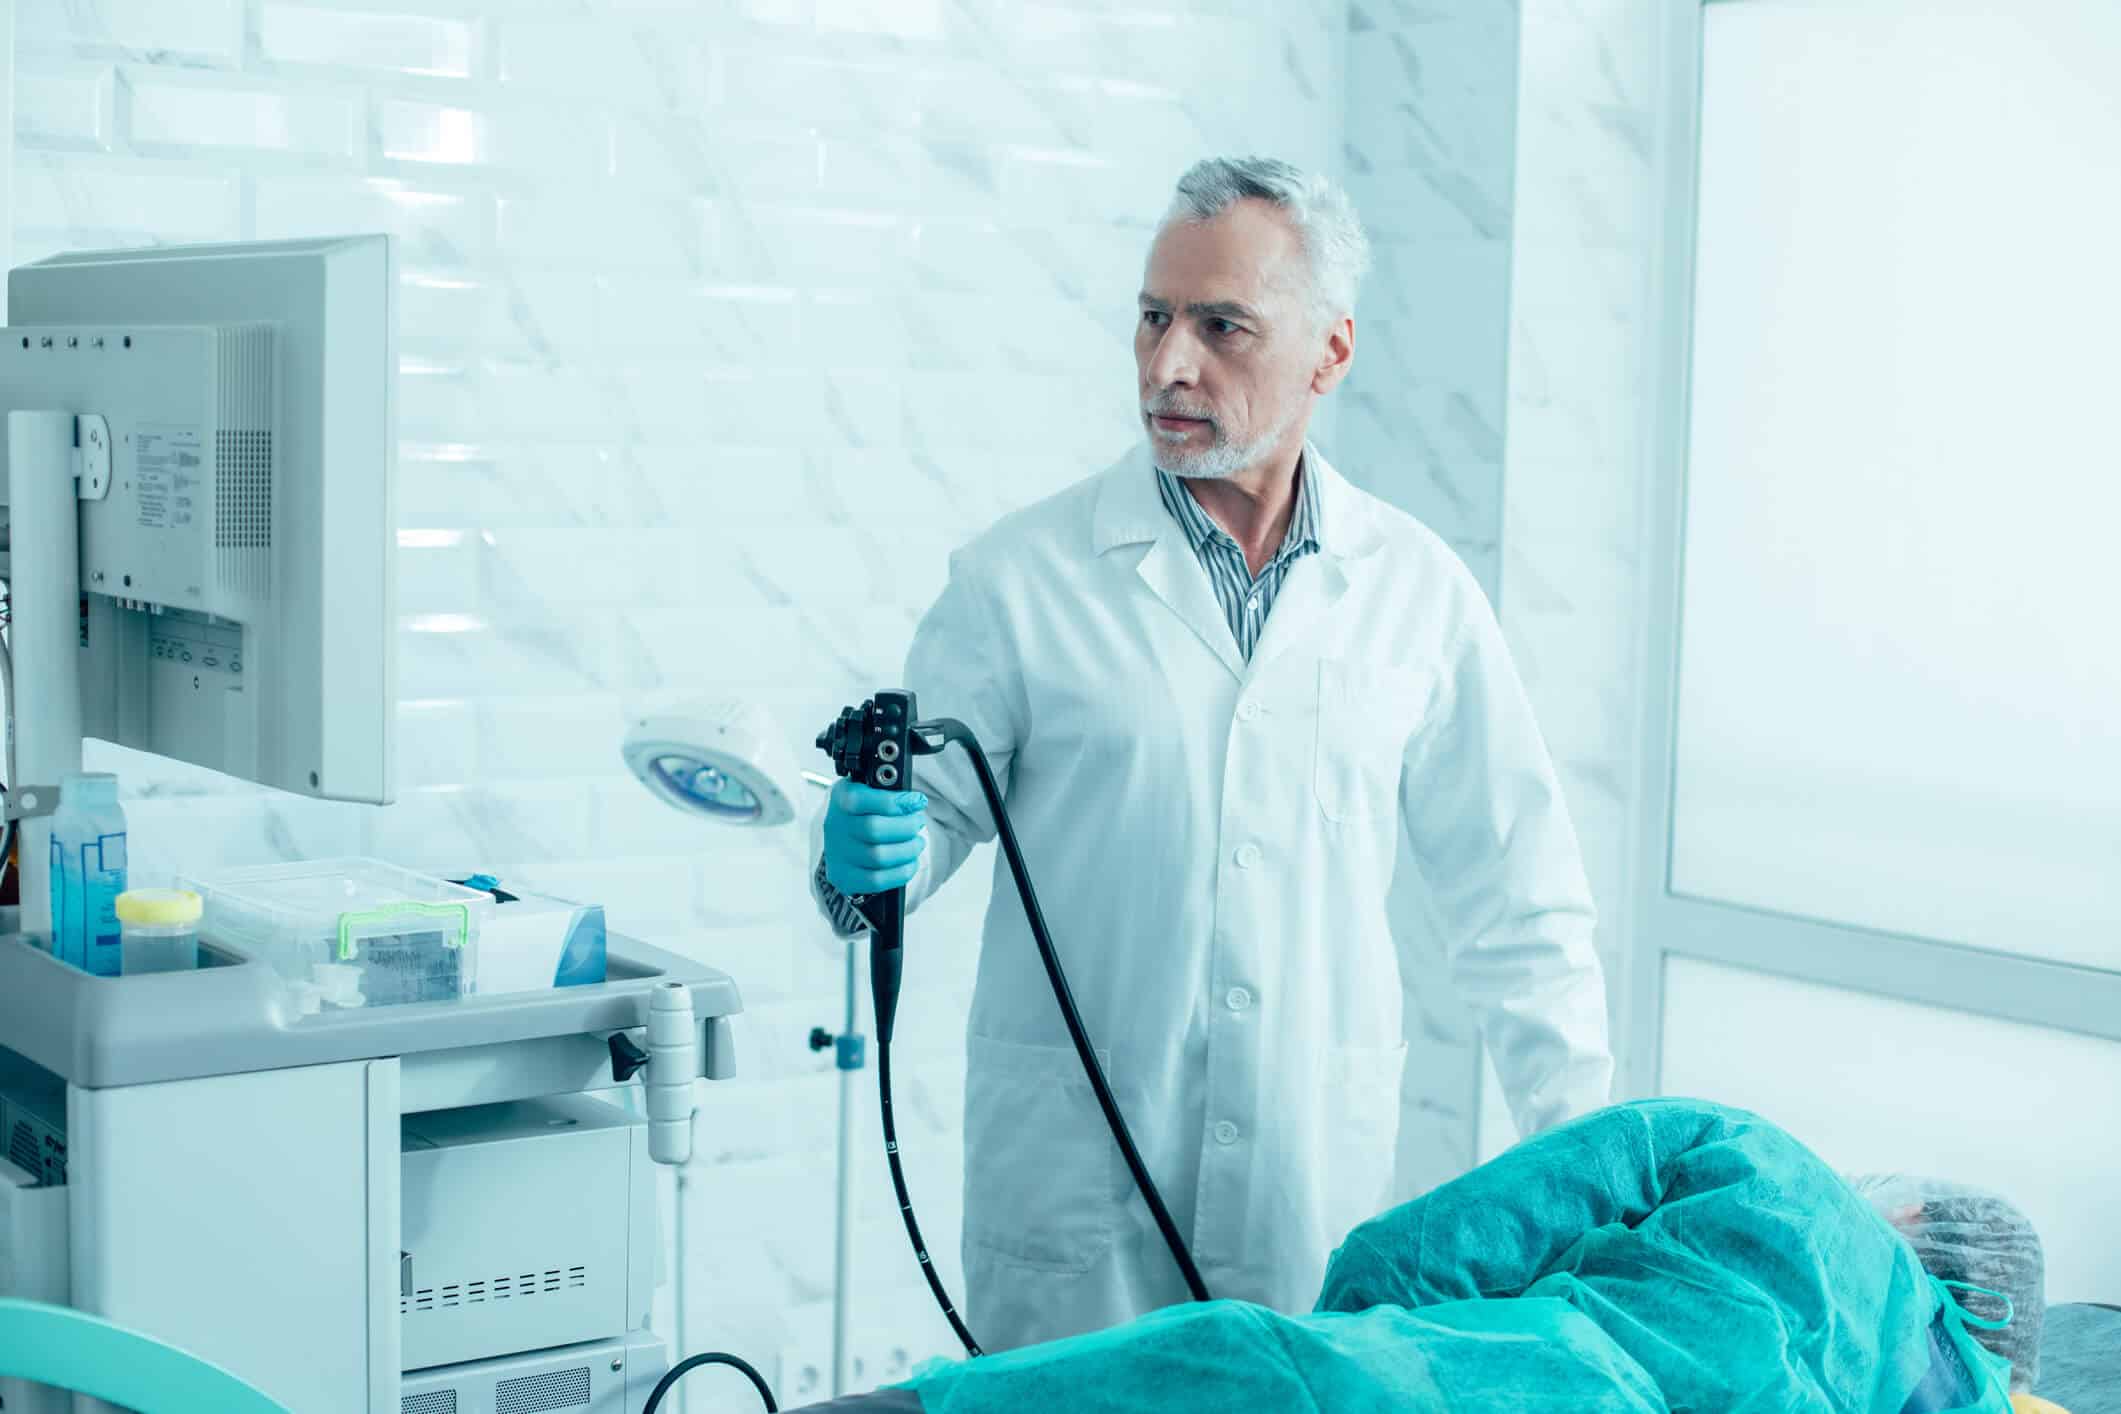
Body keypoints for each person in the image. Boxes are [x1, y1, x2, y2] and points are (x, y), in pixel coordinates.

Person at [810, 155, 1612, 1351]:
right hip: (1074, 1206)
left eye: (1221, 326)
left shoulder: (1416, 598)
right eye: (1152, 317)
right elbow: (893, 865)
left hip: (1309, 1193)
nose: (1166, 364)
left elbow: (1521, 908)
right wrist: (860, 860)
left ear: (1330, 353)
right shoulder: (1018, 581)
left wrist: (1592, 1171)